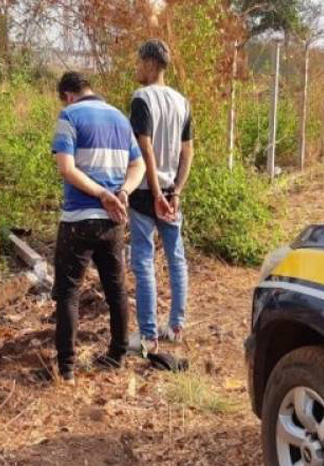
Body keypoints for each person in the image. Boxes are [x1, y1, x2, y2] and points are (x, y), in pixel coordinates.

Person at [51, 71, 145, 381]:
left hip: (79, 218)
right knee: (116, 289)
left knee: (68, 292)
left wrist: (101, 194)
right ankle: (117, 354)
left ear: (68, 95)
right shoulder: (120, 118)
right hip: (112, 221)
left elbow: (66, 168)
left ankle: (66, 367)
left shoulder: (70, 115)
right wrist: (123, 192)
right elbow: (138, 164)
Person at [128, 39, 194, 354]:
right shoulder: (182, 101)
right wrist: (175, 191)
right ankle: (177, 326)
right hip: (171, 193)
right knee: (175, 257)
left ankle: (149, 336)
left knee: (143, 261)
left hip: (146, 193)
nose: (137, 67)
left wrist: (155, 192)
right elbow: (187, 151)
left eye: (140, 62)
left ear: (151, 64)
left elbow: (145, 149)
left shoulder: (142, 99)